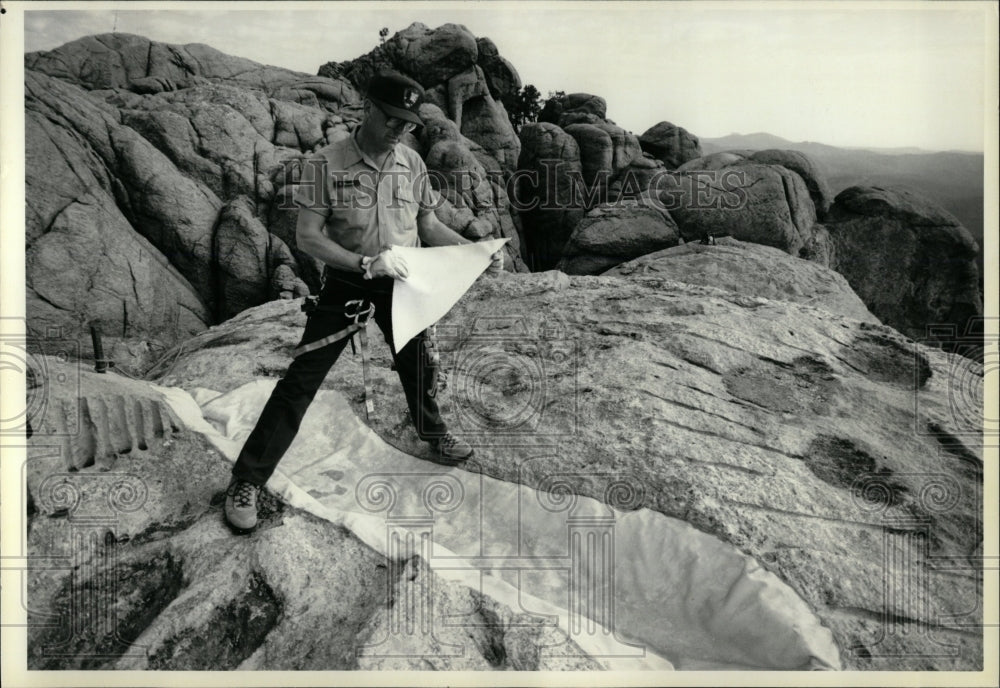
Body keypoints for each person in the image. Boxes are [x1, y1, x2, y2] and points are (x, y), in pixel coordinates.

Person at [224, 72, 503, 532]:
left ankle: (434, 434)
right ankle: (247, 479)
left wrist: (474, 253)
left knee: (418, 366)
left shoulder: (411, 164)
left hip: (403, 281)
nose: (399, 129)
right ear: (369, 109)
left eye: (407, 123)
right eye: (392, 118)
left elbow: (429, 226)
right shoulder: (322, 165)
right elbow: (307, 236)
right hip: (348, 285)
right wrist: (361, 264)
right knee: (301, 380)